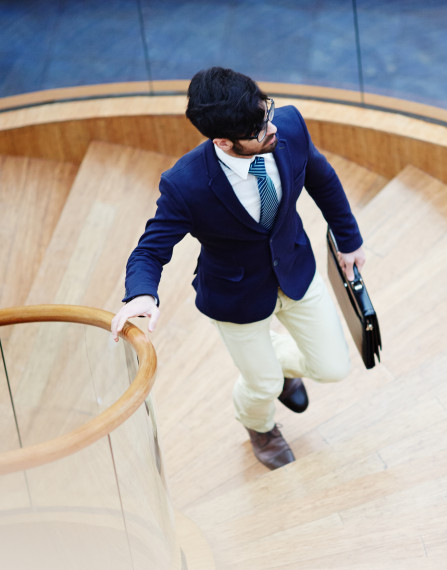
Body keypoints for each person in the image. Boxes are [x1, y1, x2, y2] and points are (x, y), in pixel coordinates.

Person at [111, 66, 365, 470]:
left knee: (334, 367)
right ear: (224, 142)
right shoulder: (185, 184)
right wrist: (142, 291)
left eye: (267, 112)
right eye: (258, 131)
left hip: (297, 270)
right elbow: (150, 249)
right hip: (236, 295)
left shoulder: (289, 125)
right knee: (262, 384)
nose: (271, 129)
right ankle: (259, 426)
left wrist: (349, 238)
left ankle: (273, 361)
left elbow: (321, 177)